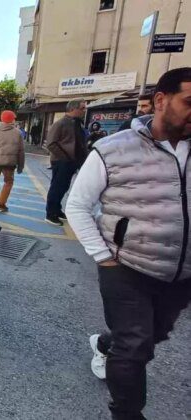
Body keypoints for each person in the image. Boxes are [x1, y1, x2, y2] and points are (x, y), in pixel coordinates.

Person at [65, 67, 191, 420]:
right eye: (189, 101)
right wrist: (103, 256)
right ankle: (127, 414)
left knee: (152, 337)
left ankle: (106, 343)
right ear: (162, 101)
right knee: (135, 347)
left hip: (181, 272)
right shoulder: (112, 149)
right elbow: (76, 205)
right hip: (126, 266)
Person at [44, 99, 89, 226]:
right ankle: (50, 213)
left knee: (64, 187)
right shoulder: (60, 124)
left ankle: (57, 210)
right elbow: (51, 144)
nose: (84, 111)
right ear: (73, 109)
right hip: (62, 161)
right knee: (57, 187)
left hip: (74, 161)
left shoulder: (78, 123)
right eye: (82, 108)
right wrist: (64, 157)